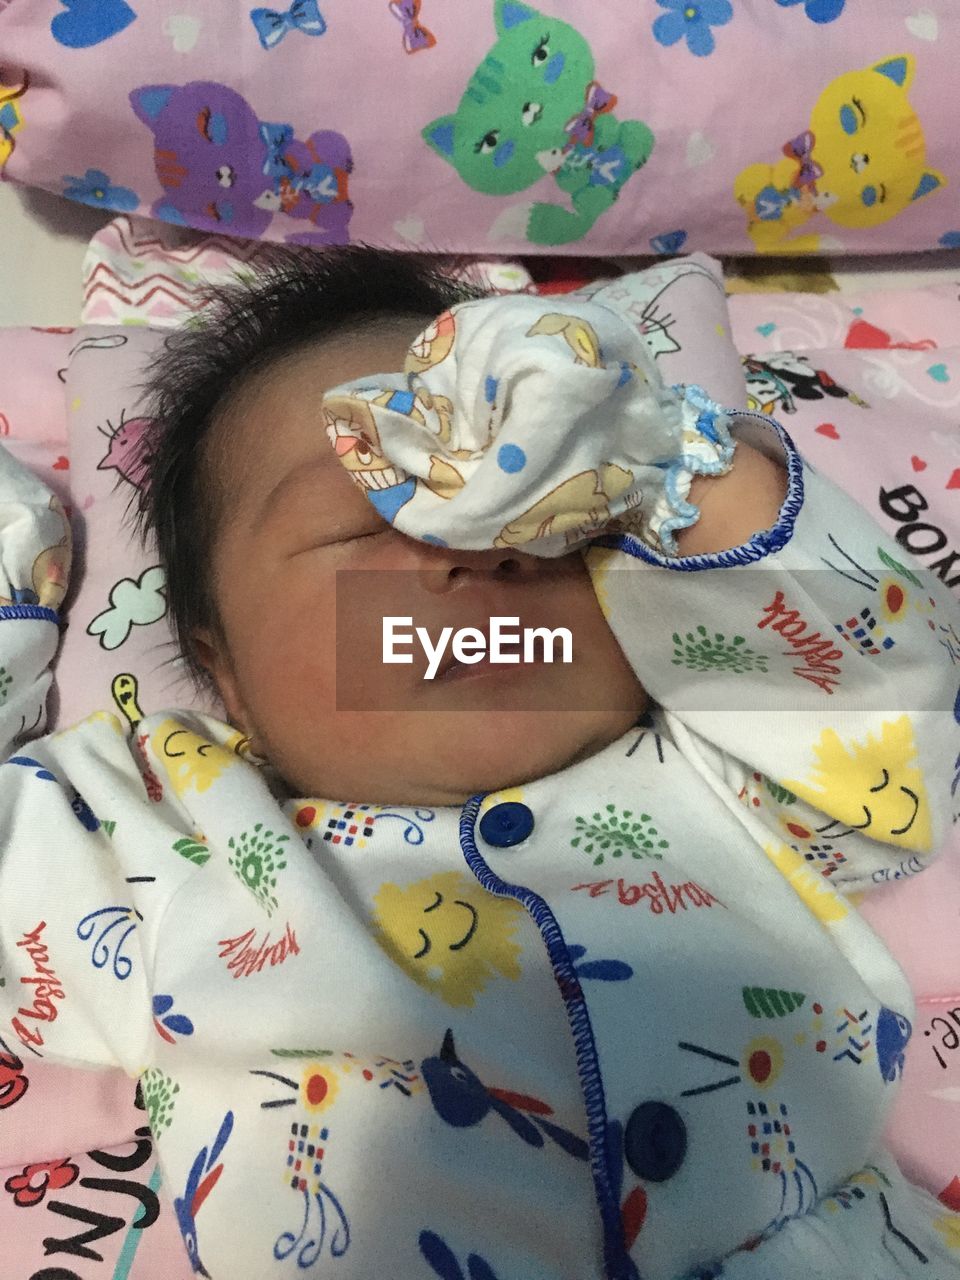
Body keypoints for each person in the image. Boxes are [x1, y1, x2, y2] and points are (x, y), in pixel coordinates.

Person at [0, 248, 956, 1280]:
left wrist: (662, 462)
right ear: (219, 664)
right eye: (372, 514)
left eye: (541, 507)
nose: (478, 541)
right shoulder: (166, 829)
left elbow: (862, 686)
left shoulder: (728, 756)